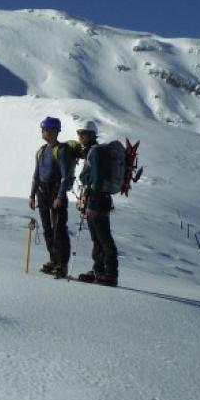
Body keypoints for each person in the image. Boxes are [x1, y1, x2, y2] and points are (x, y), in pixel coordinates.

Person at [28, 116, 76, 278]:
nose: (43, 132)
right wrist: (32, 195)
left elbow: (65, 176)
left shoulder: (61, 151)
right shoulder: (41, 151)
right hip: (43, 193)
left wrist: (61, 196)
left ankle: (62, 264)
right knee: (48, 229)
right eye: (43, 129)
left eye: (47, 129)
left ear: (55, 131)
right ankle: (53, 260)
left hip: (56, 193)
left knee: (59, 230)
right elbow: (36, 174)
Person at [75, 120, 119, 286]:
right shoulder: (92, 151)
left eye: (83, 133)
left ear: (92, 135)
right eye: (79, 132)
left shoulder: (96, 152)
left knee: (104, 237)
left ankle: (111, 273)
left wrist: (91, 201)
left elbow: (97, 178)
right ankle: (98, 270)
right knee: (97, 238)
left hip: (98, 200)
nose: (80, 136)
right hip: (96, 198)